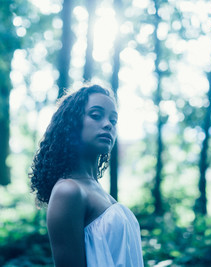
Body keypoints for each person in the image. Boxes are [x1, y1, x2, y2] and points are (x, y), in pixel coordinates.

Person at [30, 85, 144, 267]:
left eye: (113, 120)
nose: (108, 124)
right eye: (96, 115)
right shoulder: (68, 191)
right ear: (72, 124)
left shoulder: (96, 188)